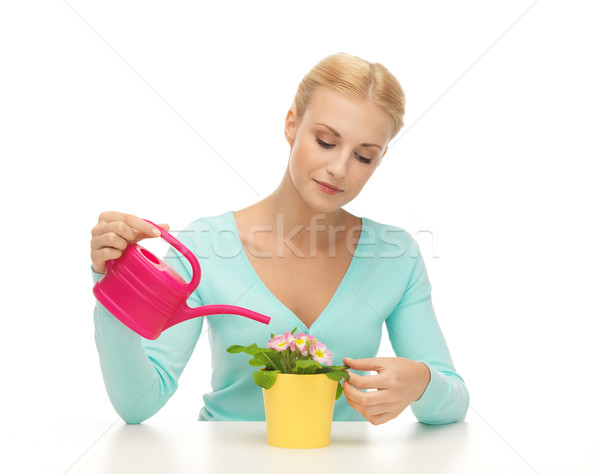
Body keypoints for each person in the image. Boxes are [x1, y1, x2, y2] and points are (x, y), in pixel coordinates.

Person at [90, 52, 469, 426]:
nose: (339, 169)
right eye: (325, 141)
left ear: (380, 159)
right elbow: (137, 405)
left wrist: (422, 382)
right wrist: (116, 291)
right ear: (291, 124)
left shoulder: (394, 256)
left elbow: (453, 400)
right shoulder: (205, 246)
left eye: (363, 157)